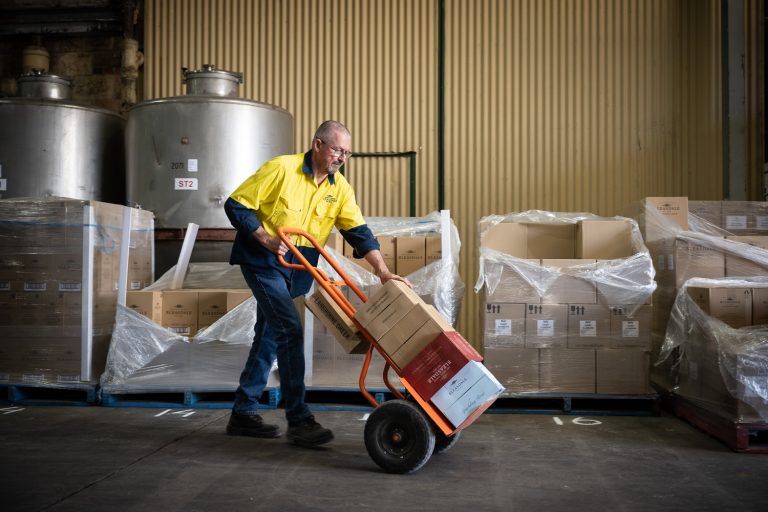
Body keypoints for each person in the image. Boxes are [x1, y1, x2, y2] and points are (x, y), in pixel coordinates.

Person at [224, 120, 409, 447]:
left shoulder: (340, 189)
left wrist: (382, 270)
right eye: (337, 149)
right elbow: (236, 204)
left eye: (347, 153)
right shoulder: (281, 168)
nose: (342, 158)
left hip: (297, 267)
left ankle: (243, 412)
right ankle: (299, 419)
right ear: (318, 145)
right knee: (289, 331)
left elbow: (358, 231)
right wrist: (265, 238)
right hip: (263, 260)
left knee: (268, 335)